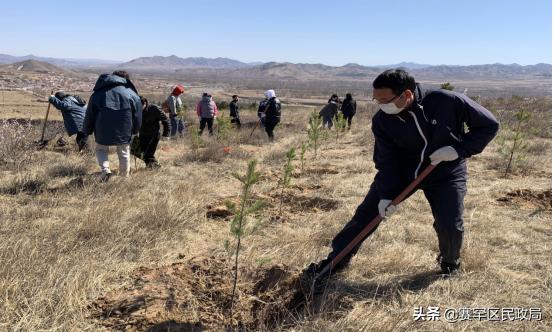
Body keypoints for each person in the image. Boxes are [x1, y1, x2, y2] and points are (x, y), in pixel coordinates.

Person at [305, 69, 499, 282]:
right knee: (365, 215)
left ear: (406, 95)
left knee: (449, 223)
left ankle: (450, 262)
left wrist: (458, 150)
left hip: (445, 171)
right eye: (377, 100)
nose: (381, 105)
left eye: (385, 100)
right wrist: (387, 194)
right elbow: (387, 160)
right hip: (404, 173)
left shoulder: (447, 101)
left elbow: (488, 125)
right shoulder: (382, 121)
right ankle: (333, 262)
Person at [82, 70, 142, 181]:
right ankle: (124, 176)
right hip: (124, 128)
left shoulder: (97, 94)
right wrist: (135, 130)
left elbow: (90, 114)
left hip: (102, 128)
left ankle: (105, 171)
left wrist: (86, 130)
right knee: (124, 150)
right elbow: (137, 115)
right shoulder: (132, 94)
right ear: (126, 80)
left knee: (101, 149)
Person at [138, 96, 170, 168]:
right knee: (136, 151)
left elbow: (165, 120)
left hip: (153, 134)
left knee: (148, 154)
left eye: (140, 106)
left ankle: (154, 167)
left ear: (145, 103)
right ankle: (152, 165)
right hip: (142, 134)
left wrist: (166, 134)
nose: (139, 109)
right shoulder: (136, 109)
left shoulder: (154, 108)